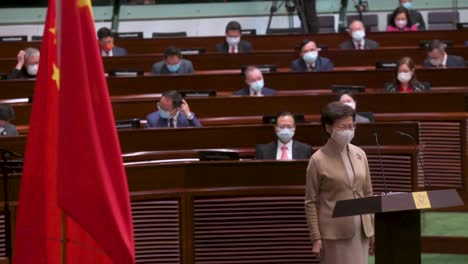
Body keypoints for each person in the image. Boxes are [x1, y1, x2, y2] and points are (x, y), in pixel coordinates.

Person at [305, 101, 374, 264]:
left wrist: (371, 228)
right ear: (329, 128)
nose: (349, 130)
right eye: (343, 127)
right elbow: (310, 202)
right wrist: (316, 237)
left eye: (352, 126)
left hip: (361, 230)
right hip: (334, 233)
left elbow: (368, 193)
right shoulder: (317, 159)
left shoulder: (360, 154)